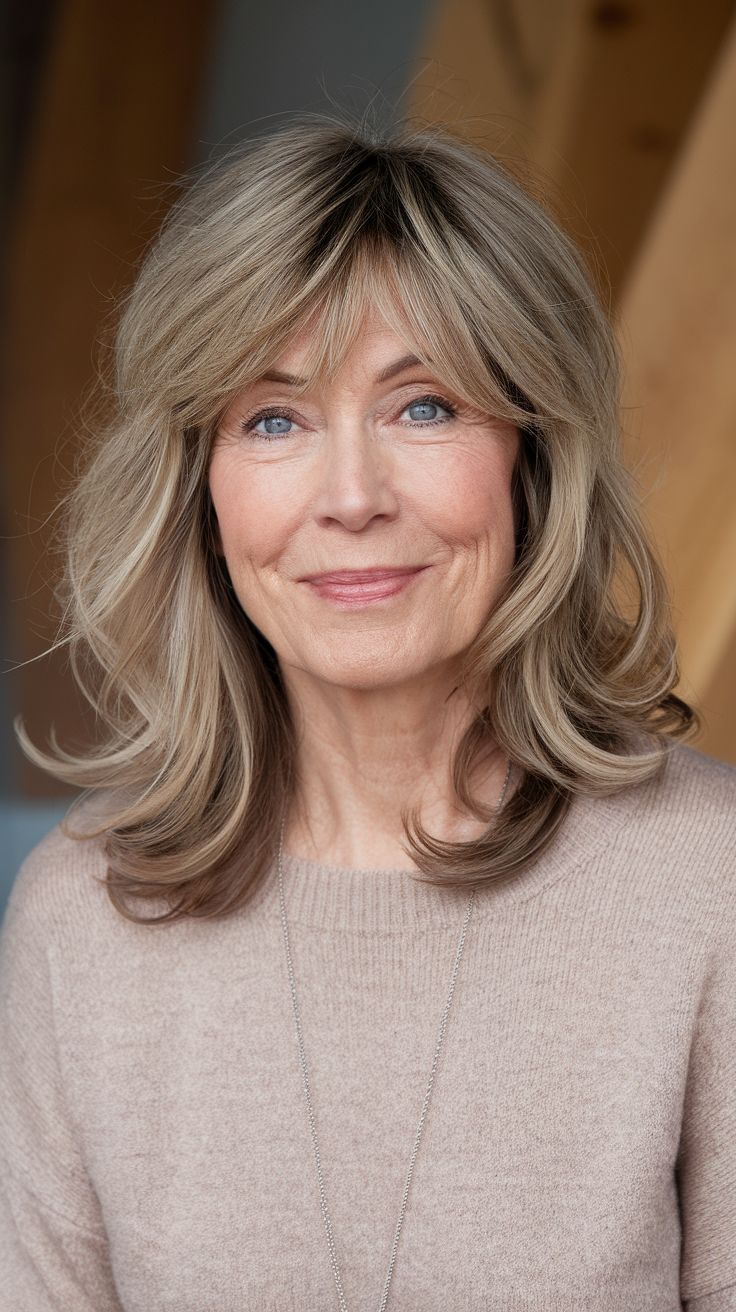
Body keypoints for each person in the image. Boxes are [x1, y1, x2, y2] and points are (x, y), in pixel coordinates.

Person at [0, 119, 734, 1312]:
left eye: (425, 407)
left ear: (531, 459)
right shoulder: (80, 920)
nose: (350, 498)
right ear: (199, 489)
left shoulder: (709, 879)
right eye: (273, 420)